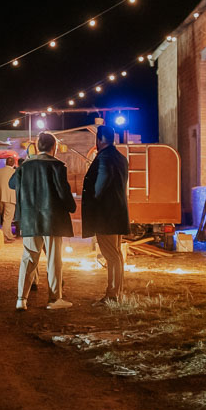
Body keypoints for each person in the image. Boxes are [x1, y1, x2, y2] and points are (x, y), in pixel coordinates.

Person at [11, 132, 76, 310]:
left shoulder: (24, 166)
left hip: (30, 219)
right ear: (53, 147)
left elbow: (12, 184)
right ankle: (54, 299)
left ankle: (21, 299)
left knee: (29, 258)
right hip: (53, 220)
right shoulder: (57, 166)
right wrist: (72, 207)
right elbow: (63, 192)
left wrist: (27, 160)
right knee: (54, 259)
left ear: (37, 147)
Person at [81, 124, 129, 301]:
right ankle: (117, 291)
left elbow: (99, 187)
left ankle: (113, 293)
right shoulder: (121, 158)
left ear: (100, 140)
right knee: (116, 254)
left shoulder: (104, 158)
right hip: (117, 213)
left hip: (105, 215)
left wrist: (91, 200)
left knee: (111, 255)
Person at [0, 156, 18, 242]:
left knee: (4, 217)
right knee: (8, 218)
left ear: (5, 162)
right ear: (14, 163)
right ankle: (5, 236)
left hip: (0, 197)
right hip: (10, 198)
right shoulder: (15, 172)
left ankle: (9, 234)